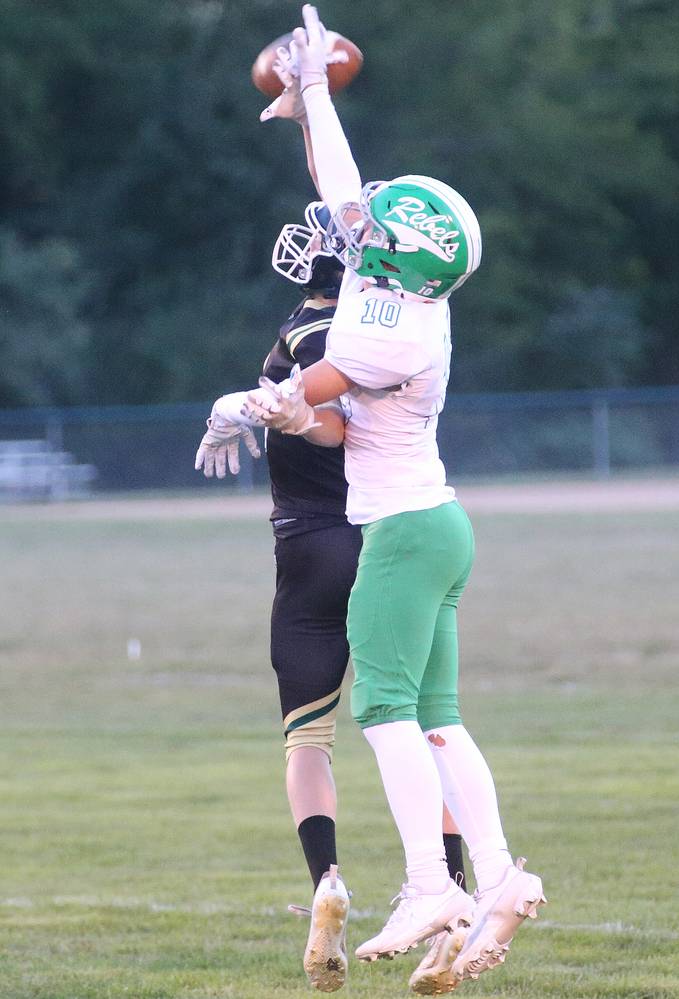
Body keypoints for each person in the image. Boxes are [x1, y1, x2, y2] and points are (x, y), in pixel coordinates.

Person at [234, 5, 548, 990]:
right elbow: (342, 190)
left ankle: (429, 885)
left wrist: (249, 404)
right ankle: (496, 877)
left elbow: (301, 398)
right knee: (442, 718)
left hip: (401, 531)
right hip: (436, 522)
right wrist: (315, 95)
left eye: (385, 222)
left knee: (382, 712)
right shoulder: (409, 291)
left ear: (399, 257)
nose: (366, 217)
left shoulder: (384, 338)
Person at [194, 187, 469, 991]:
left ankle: (329, 882)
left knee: (308, 737)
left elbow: (325, 419)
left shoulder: (302, 333)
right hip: (389, 536)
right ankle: (446, 896)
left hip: (311, 545)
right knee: (424, 723)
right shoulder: (398, 321)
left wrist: (244, 410)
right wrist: (256, 410)